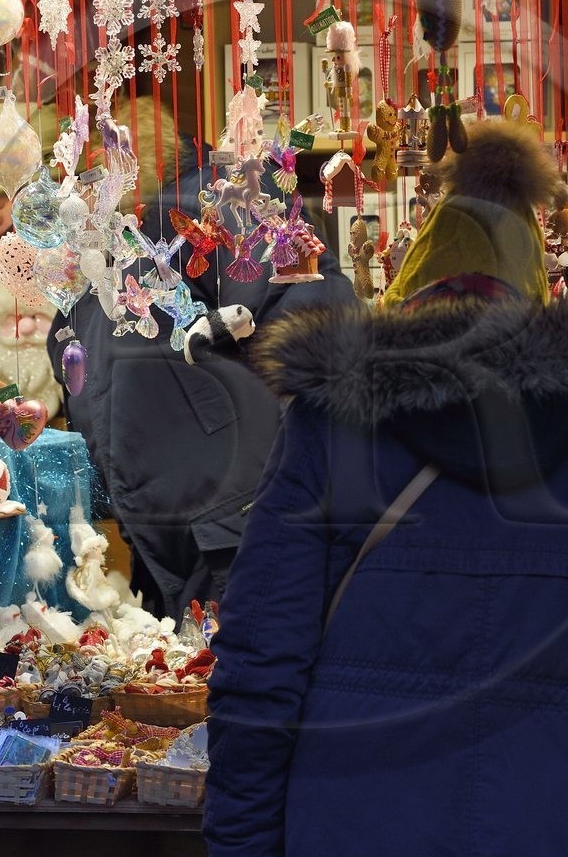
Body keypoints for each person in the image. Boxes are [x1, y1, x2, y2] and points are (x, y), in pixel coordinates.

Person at [204, 120, 568, 857]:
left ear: (411, 295)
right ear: (538, 301)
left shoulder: (328, 433)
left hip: (361, 842)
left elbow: (259, 664)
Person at [46, 102, 355, 618]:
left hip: (228, 516)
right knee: (194, 676)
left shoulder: (215, 210)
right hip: (175, 520)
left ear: (124, 159)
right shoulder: (117, 239)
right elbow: (81, 358)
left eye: (92, 167)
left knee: (240, 666)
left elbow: (315, 334)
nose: (80, 188)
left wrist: (263, 472)